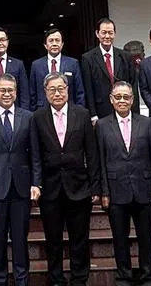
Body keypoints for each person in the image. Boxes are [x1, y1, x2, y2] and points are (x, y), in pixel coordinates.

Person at [32, 72, 100, 286]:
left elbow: (92, 153)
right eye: (52, 89)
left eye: (61, 88)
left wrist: (95, 186)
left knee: (79, 238)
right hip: (50, 190)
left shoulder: (82, 114)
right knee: (53, 240)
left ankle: (80, 279)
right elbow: (35, 154)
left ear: (68, 90)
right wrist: (37, 183)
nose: (57, 93)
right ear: (45, 92)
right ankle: (56, 279)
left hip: (79, 187)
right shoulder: (38, 117)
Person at [0, 74, 41, 286]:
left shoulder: (28, 117)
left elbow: (35, 154)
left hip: (22, 187)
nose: (6, 94)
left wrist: (36, 182)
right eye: (2, 90)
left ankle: (22, 280)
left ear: (16, 92)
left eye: (10, 90)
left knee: (21, 239)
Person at [95, 81, 151, 286]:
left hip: (144, 187)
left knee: (146, 236)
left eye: (126, 97)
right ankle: (124, 275)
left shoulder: (147, 123)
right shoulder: (101, 125)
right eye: (118, 97)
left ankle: (147, 274)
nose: (122, 100)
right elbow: (99, 159)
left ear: (133, 100)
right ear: (111, 100)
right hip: (116, 190)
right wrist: (103, 191)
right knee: (119, 237)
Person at [81, 17, 137, 123]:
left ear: (114, 34)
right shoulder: (88, 58)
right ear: (97, 34)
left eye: (110, 33)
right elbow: (88, 89)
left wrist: (134, 111)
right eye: (104, 32)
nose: (107, 36)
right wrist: (93, 114)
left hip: (124, 108)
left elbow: (133, 84)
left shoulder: (125, 56)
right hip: (101, 111)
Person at [29, 28, 85, 110]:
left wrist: (80, 111)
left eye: (57, 40)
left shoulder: (73, 63)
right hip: (43, 111)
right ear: (45, 45)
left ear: (62, 44)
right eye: (51, 41)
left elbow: (79, 91)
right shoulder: (36, 65)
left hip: (69, 111)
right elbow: (32, 93)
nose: (54, 44)